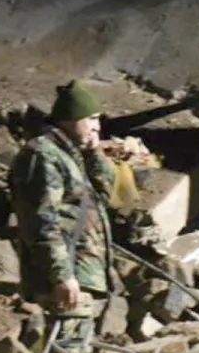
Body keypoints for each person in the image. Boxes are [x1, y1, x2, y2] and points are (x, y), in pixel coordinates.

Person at [10, 80, 125, 314]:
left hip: (83, 272)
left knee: (74, 346)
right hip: (63, 279)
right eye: (91, 119)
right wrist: (61, 275)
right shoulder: (43, 156)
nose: (97, 127)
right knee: (66, 347)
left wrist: (94, 153)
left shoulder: (71, 157)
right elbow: (41, 221)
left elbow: (107, 193)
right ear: (71, 119)